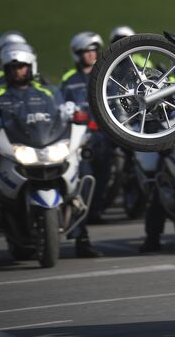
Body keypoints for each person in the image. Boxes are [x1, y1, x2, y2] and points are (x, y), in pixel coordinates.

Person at [0, 42, 102, 257]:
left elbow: (63, 116)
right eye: (13, 67)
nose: (18, 71)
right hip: (15, 153)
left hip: (46, 149)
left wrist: (75, 120)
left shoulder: (49, 92)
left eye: (22, 66)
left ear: (31, 67)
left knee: (83, 177)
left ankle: (82, 240)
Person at [61, 32, 110, 226]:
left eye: (94, 50)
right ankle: (81, 217)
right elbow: (62, 107)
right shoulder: (69, 79)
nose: (91, 55)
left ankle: (96, 211)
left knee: (104, 174)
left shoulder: (107, 74)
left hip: (104, 134)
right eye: (86, 52)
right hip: (81, 137)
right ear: (77, 54)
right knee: (85, 176)